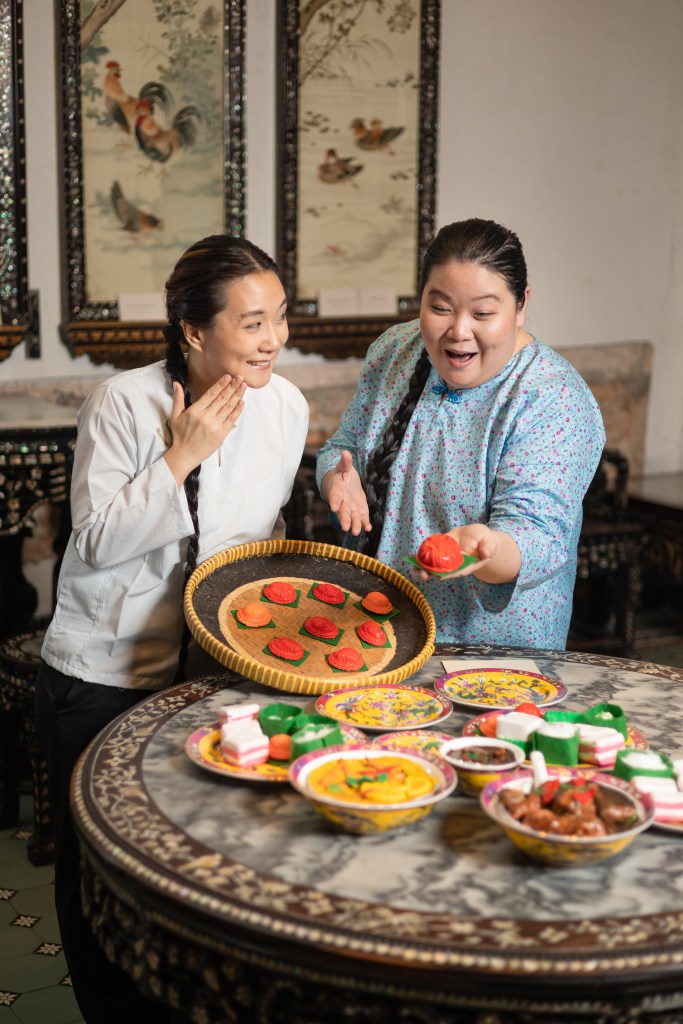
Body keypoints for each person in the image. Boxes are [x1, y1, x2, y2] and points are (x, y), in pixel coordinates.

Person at [35, 235, 308, 1023]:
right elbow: (92, 544)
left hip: (213, 677)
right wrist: (179, 458)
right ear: (193, 330)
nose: (272, 339)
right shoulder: (124, 403)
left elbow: (260, 538)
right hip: (103, 673)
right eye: (252, 323)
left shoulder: (285, 406)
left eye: (279, 318)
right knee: (98, 873)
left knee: (192, 863)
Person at [316, 217, 605, 649]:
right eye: (440, 308)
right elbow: (342, 449)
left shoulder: (552, 397)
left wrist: (485, 549)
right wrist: (336, 480)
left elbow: (538, 537)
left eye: (483, 313)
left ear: (521, 304)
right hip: (377, 632)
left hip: (491, 654)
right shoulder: (395, 350)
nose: (459, 331)